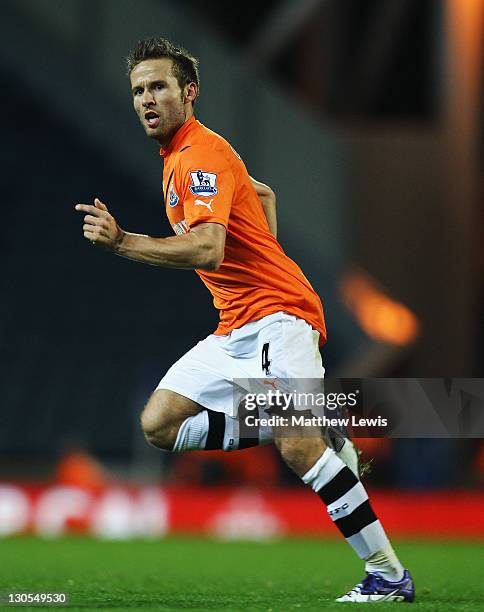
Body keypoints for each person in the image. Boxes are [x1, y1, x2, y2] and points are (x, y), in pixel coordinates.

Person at [75, 37, 414, 603]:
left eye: (158, 86)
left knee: (299, 452)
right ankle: (312, 424)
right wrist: (263, 248)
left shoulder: (198, 154)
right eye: (138, 90)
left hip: (276, 316)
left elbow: (207, 249)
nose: (146, 99)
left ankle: (387, 573)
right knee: (159, 423)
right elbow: (262, 193)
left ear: (190, 93)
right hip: (236, 324)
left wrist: (123, 242)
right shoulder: (182, 158)